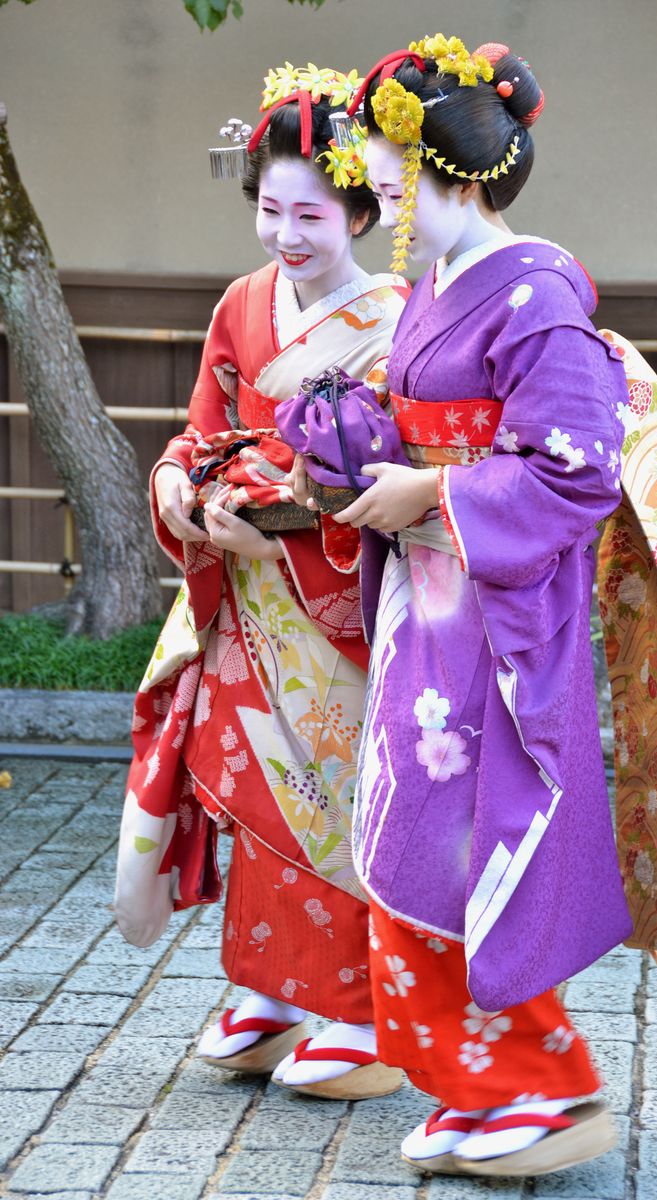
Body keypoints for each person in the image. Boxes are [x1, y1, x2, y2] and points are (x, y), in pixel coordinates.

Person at [283, 36, 657, 1177]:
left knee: (470, 848)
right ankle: (474, 1084)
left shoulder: (536, 295)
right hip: (432, 611)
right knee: (407, 841)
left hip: (499, 624)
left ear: (447, 171)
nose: (371, 181)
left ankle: (548, 1087)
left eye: (384, 168)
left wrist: (430, 485)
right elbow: (419, 415)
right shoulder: (437, 289)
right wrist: (347, 444)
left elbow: (572, 465)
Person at [114, 63, 410, 1100]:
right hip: (245, 604)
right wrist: (179, 493)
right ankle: (272, 993)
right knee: (258, 797)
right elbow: (199, 431)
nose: (286, 235)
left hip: (340, 607)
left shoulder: (396, 319)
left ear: (362, 211)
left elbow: (394, 478)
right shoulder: (242, 303)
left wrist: (281, 531)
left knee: (338, 796)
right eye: (271, 210)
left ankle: (363, 1010)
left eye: (312, 214)